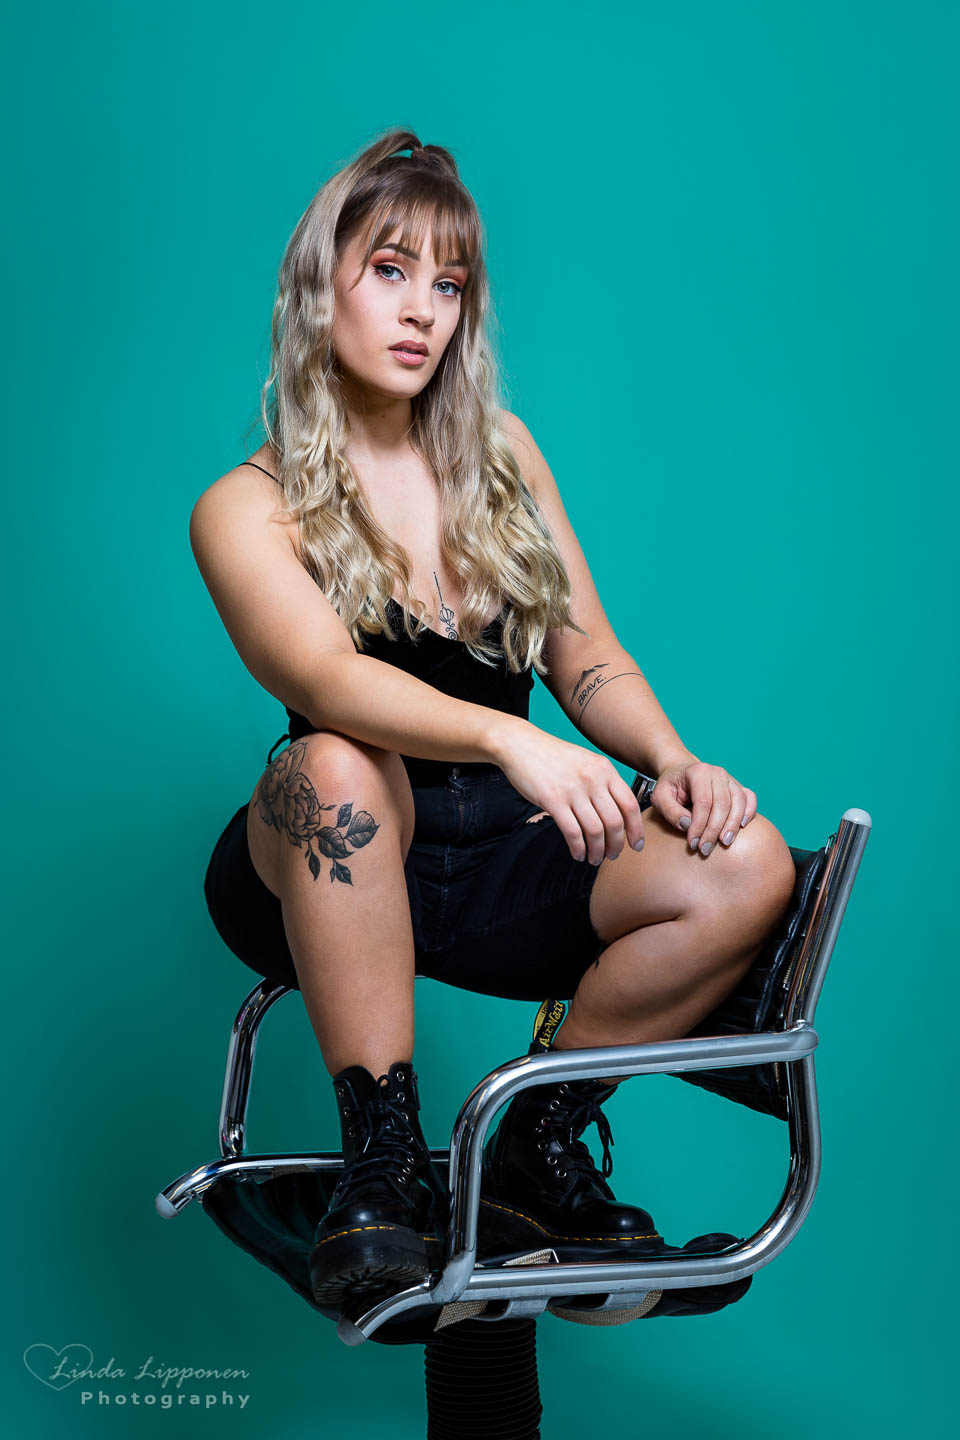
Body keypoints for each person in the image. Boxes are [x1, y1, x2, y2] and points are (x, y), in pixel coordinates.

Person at [191, 128, 797, 1312]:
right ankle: (382, 1165)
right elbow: (326, 678)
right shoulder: (246, 505)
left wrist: (670, 758)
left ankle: (531, 1142)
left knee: (748, 863)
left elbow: (585, 653)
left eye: (450, 283)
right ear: (317, 289)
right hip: (335, 854)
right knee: (335, 765)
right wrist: (511, 738)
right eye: (389, 270)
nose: (423, 310)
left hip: (499, 859)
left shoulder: (503, 455)